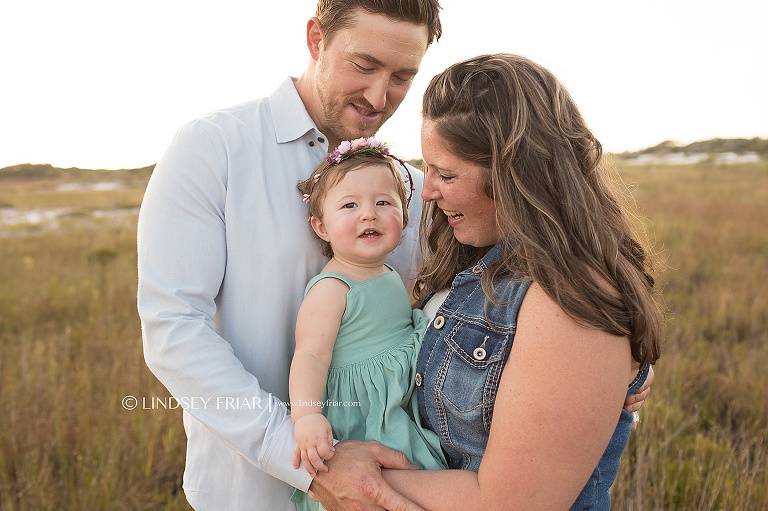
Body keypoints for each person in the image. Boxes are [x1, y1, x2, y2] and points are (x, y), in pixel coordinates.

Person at [314, 54, 665, 510]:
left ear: (515, 174)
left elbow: (511, 503)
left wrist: (353, 475)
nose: (429, 191)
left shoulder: (569, 301)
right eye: (428, 168)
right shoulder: (474, 254)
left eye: (447, 174)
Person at [137, 2, 443, 510]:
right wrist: (301, 456)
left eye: (402, 76)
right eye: (364, 66)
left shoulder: (408, 187)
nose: (378, 95)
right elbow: (174, 331)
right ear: (316, 39)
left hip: (390, 486)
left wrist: (611, 356)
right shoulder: (213, 149)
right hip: (249, 494)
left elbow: (469, 294)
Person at [288, 138, 448, 511]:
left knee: (418, 478)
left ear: (404, 218)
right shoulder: (333, 288)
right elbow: (310, 356)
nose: (368, 214)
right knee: (384, 488)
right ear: (321, 226)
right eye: (349, 205)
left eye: (383, 202)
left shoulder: (389, 273)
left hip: (399, 404)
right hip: (365, 416)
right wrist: (307, 416)